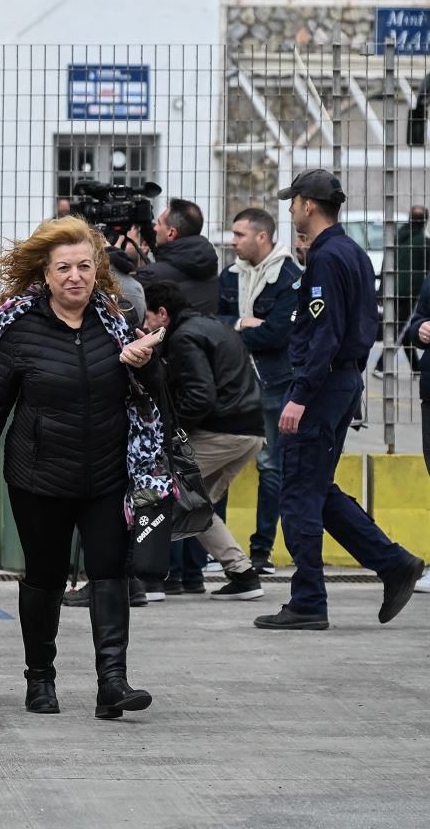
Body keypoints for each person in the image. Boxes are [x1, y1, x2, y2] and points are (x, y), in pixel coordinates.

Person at [0, 216, 161, 719]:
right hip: (39, 475)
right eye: (64, 268)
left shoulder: (115, 324)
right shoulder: (19, 327)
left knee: (110, 570)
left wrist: (146, 363)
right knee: (45, 575)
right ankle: (39, 678)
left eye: (85, 266)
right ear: (46, 274)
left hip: (106, 472)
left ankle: (113, 682)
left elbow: (152, 397)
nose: (75, 277)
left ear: (97, 271)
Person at [256, 170, 424, 631]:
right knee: (317, 491)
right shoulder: (348, 252)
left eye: (293, 202)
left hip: (322, 386)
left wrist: (301, 396)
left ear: (309, 205)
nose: (290, 209)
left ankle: (309, 601)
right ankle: (393, 563)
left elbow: (325, 334)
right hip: (340, 383)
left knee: (297, 493)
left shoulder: (328, 258)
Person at [139, 280, 265, 601]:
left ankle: (147, 580)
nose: (144, 326)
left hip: (223, 430)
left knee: (156, 488)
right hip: (250, 430)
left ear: (162, 314)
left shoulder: (183, 338)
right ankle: (243, 574)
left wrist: (169, 434)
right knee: (196, 505)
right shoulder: (210, 325)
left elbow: (199, 397)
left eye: (147, 318)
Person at [218, 207, 300, 574]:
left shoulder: (289, 277)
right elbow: (211, 322)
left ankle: (260, 552)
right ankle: (217, 552)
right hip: (232, 382)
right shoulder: (229, 275)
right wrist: (240, 322)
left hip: (273, 383)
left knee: (271, 468)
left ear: (261, 237)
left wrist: (234, 330)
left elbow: (277, 334)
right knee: (219, 463)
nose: (232, 241)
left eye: (239, 234)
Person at [124, 198, 218, 315]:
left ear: (171, 233)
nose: (155, 228)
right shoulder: (208, 263)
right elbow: (171, 257)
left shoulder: (151, 276)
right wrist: (146, 229)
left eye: (158, 223)